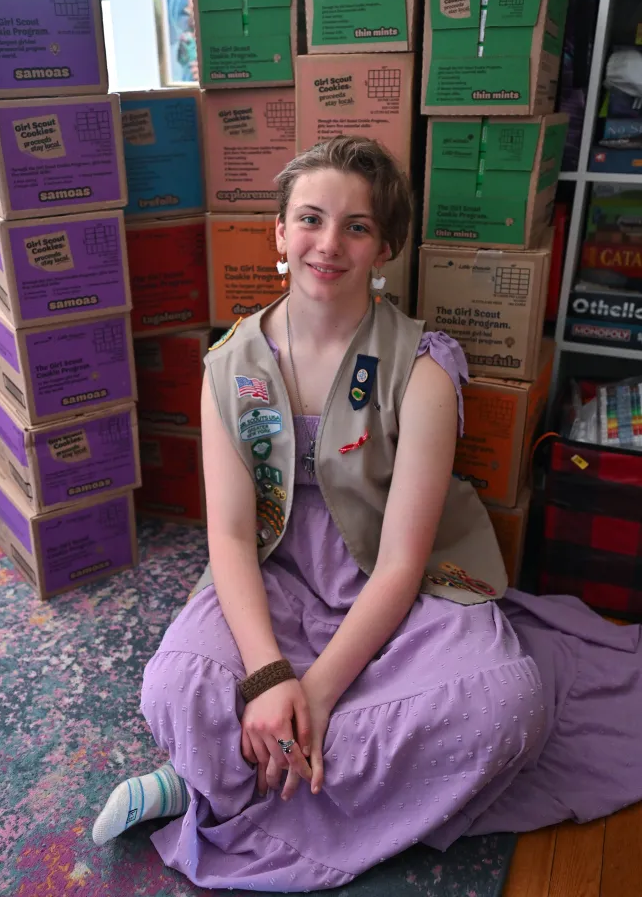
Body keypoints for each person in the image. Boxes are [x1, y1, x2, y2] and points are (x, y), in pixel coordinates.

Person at [93, 136, 642, 890]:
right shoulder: (229, 364)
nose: (329, 242)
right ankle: (248, 764)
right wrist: (266, 676)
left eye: (356, 226)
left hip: (397, 590)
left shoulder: (422, 367)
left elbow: (403, 564)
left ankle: (211, 783)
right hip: (277, 573)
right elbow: (227, 534)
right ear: (280, 233)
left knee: (505, 705)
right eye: (310, 219)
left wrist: (312, 692)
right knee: (172, 685)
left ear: (385, 245)